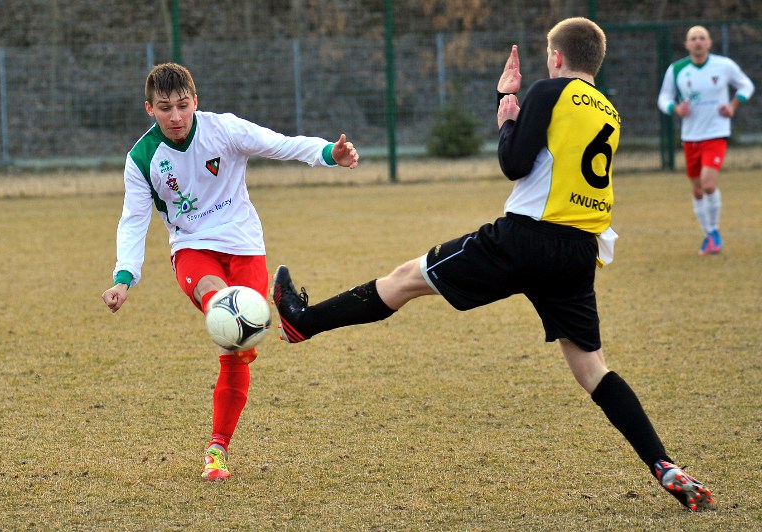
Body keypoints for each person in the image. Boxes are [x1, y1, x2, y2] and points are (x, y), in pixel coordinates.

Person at [272, 18, 714, 512]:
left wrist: (505, 111)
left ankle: (302, 321)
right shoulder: (609, 110)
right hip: (578, 252)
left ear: (557, 57)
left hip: (524, 240)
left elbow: (513, 163)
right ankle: (663, 464)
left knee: (405, 280)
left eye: (548, 54)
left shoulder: (549, 90)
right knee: (593, 369)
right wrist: (513, 108)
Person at [101, 62, 359, 481]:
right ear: (149, 109)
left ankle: (218, 446)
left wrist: (330, 153)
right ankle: (243, 326)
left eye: (182, 105)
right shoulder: (142, 158)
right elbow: (133, 220)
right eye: (165, 108)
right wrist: (123, 277)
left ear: (195, 101)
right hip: (191, 248)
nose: (175, 116)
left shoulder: (224, 130)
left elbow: (279, 144)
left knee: (236, 350)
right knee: (222, 303)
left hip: (243, 245)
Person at [657, 25, 755, 255]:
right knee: (698, 190)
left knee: (708, 185)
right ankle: (709, 234)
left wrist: (733, 105)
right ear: (687, 44)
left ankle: (714, 233)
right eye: (693, 38)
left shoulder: (724, 65)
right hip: (690, 136)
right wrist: (675, 108)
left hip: (716, 133)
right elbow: (664, 97)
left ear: (709, 43)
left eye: (702, 38)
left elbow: (747, 85)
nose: (698, 42)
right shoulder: (676, 69)